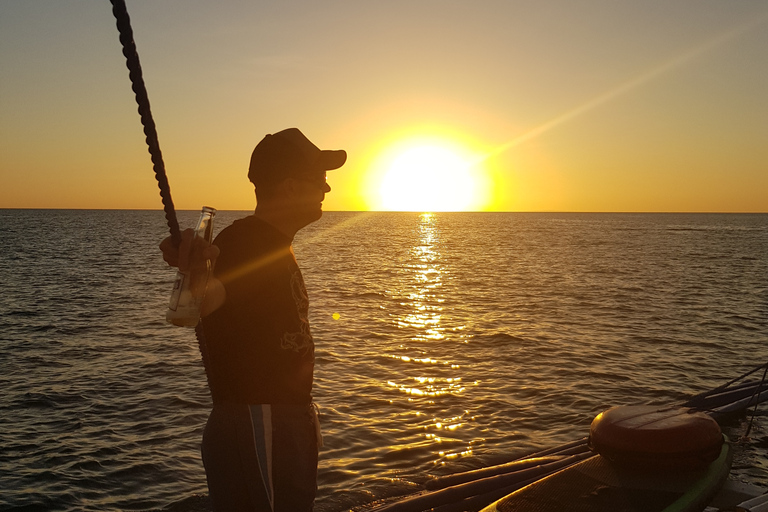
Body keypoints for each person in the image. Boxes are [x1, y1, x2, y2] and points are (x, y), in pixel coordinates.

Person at [160, 128, 346, 512]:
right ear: (291, 187)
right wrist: (193, 269)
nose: (327, 189)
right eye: (320, 179)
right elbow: (205, 301)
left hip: (281, 424)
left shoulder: (273, 245)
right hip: (260, 424)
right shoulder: (245, 244)